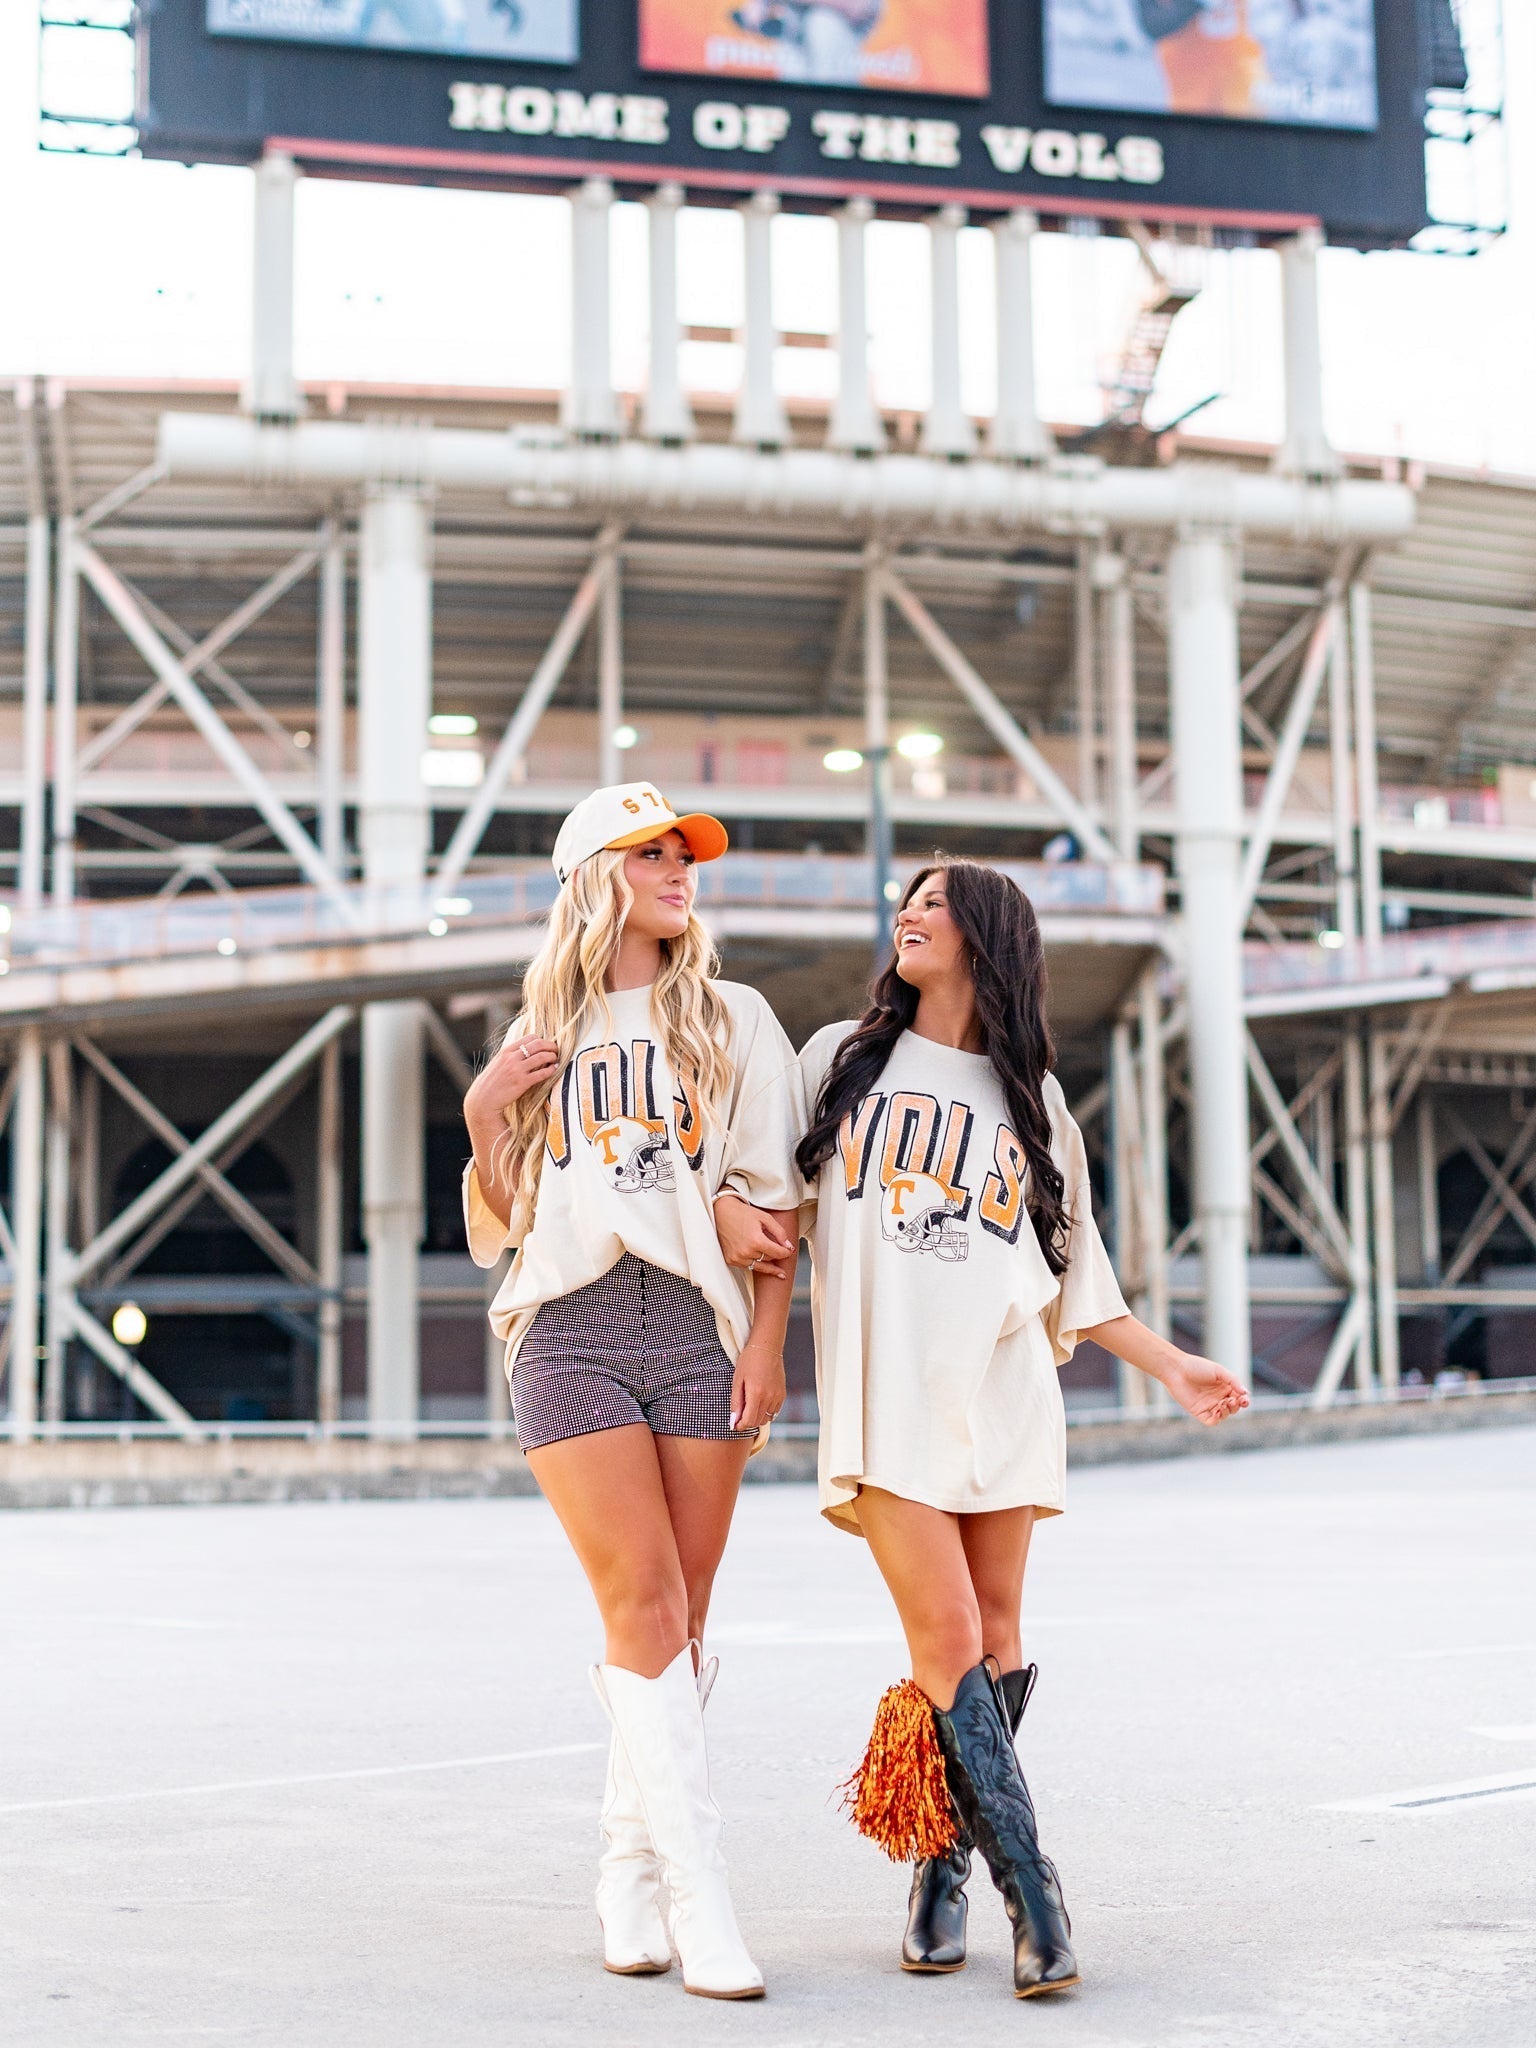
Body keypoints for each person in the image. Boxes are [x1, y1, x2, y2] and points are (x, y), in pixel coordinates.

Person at [716, 857, 1248, 1999]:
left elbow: (1079, 1280)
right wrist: (760, 1328)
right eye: (906, 897)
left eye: (938, 899)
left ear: (989, 934)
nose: (910, 910)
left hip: (1003, 1388)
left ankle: (937, 1867)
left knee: (998, 1630)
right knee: (948, 1634)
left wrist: (1175, 1365)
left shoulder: (1038, 1102)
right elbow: (772, 1205)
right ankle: (1037, 1891)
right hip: (884, 1392)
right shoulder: (838, 1063)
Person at [461, 781, 803, 2001]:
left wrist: (768, 1342)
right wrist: (482, 1107)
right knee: (645, 1602)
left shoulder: (734, 1017)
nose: (678, 868)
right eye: (650, 851)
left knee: (678, 1629)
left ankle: (625, 1869)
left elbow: (777, 1205)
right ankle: (702, 1900)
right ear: (594, 872)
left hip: (699, 1333)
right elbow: (504, 1225)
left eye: (683, 852)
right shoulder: (541, 1024)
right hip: (568, 1326)